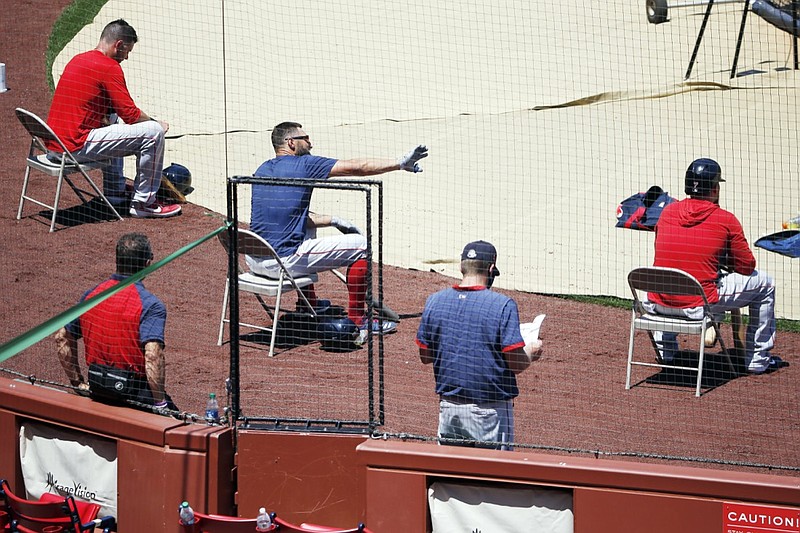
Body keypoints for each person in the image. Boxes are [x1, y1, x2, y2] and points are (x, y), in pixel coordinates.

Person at [248, 121, 428, 340]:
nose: (310, 143)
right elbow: (357, 167)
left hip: (254, 261)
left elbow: (289, 217)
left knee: (305, 232)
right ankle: (358, 321)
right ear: (291, 143)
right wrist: (399, 164)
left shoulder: (262, 169)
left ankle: (308, 305)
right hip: (282, 263)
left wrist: (333, 220)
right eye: (306, 138)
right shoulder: (305, 164)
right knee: (362, 246)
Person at [646, 158, 784, 374]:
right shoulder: (725, 219)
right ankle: (758, 361)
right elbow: (747, 267)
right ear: (715, 188)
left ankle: (667, 354)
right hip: (698, 305)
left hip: (658, 303)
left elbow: (669, 254)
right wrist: (723, 259)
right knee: (765, 284)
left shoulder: (667, 213)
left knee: (671, 279)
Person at [45, 19, 180, 219]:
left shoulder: (78, 59)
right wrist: (155, 122)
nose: (126, 57)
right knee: (153, 133)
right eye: (127, 51)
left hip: (53, 146)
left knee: (112, 116)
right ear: (118, 45)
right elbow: (131, 115)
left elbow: (113, 111)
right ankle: (144, 203)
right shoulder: (109, 67)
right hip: (73, 147)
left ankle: (115, 191)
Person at [416, 241, 543, 450]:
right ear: (491, 269)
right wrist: (531, 351)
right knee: (492, 477)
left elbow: (425, 356)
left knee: (449, 474)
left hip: (449, 408)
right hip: (490, 413)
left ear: (461, 267)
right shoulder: (502, 305)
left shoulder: (435, 301)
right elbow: (516, 364)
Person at [55, 233, 177, 413]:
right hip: (134, 395)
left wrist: (78, 383)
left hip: (97, 389)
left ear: (118, 261)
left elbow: (61, 337)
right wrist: (160, 404)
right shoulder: (151, 305)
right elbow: (152, 355)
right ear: (147, 264)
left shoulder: (92, 296)